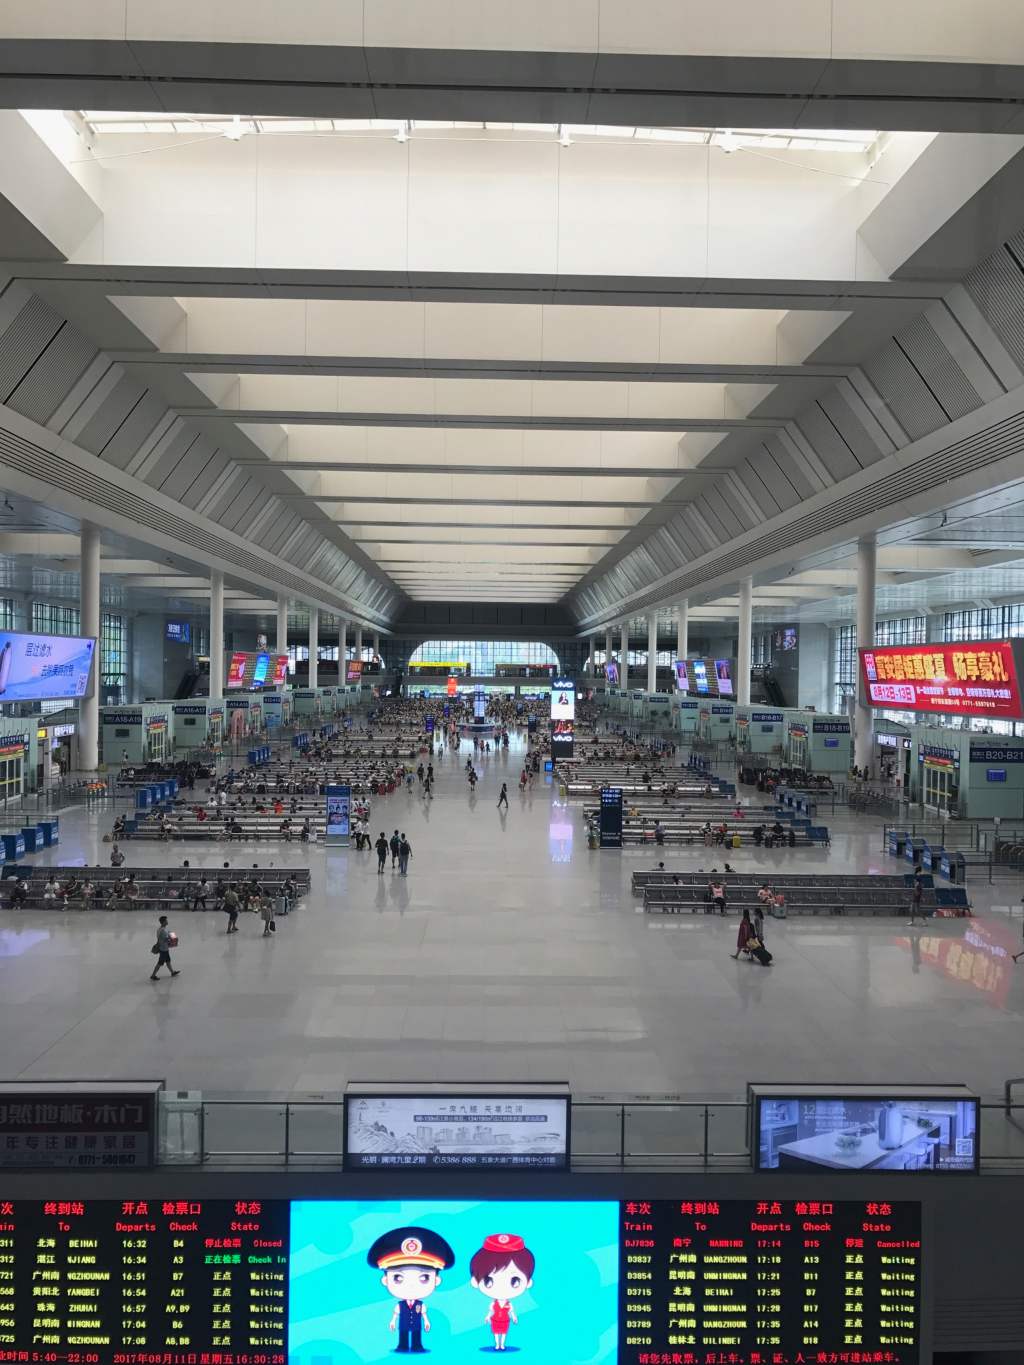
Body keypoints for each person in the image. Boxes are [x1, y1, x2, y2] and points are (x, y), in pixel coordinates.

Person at [470, 1233, 535, 1353]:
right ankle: (497, 1344)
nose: (502, 1289)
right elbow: (491, 1311)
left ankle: (502, 1345)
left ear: (528, 1282)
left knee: (504, 1333)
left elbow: (511, 1311)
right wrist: (487, 1317)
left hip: (505, 1320)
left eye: (514, 1281)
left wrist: (514, 1317)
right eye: (488, 1281)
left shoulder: (508, 1304)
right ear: (475, 1282)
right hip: (495, 1320)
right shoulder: (493, 1304)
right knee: (495, 1333)